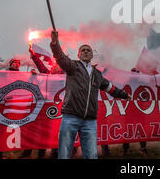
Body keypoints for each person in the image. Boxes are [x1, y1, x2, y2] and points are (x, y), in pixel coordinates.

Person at [50, 30, 132, 159]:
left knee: (92, 156)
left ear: (92, 54)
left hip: (90, 121)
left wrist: (124, 95)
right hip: (70, 117)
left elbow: (110, 88)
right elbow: (60, 57)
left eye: (88, 50)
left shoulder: (97, 74)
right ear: (79, 54)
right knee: (64, 155)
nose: (86, 51)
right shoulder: (73, 66)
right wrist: (55, 44)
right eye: (83, 50)